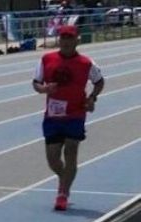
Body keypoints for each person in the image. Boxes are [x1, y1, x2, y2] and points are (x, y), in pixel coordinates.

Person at [32, 25, 104, 211]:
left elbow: (99, 82)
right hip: (53, 115)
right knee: (53, 159)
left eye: (69, 38)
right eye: (63, 38)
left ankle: (63, 193)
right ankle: (65, 178)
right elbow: (36, 82)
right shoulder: (47, 59)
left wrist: (92, 98)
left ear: (76, 40)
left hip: (75, 113)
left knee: (71, 150)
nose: (65, 41)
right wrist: (44, 89)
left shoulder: (86, 63)